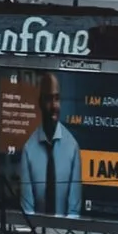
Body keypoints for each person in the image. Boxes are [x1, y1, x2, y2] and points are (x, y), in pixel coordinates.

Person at [15, 77, 84, 216]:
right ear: (40, 102)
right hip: (35, 232)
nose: (54, 106)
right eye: (48, 99)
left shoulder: (72, 147)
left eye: (57, 98)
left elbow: (74, 211)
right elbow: (27, 210)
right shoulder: (29, 149)